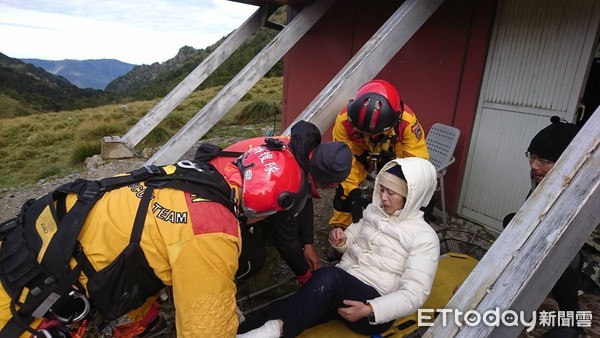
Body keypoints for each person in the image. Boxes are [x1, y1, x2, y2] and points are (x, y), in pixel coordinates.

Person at [0, 145, 309, 338]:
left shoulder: (194, 175)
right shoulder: (212, 230)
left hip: (22, 244)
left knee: (145, 311)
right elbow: (206, 333)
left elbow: (151, 242)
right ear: (266, 209)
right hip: (25, 299)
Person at [238, 157, 440, 338]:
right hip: (342, 290)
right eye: (382, 189)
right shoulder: (374, 210)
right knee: (296, 306)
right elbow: (352, 237)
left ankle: (267, 333)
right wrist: (342, 240)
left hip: (371, 309)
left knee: (328, 277)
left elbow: (415, 294)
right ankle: (238, 331)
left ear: (412, 197)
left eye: (393, 193)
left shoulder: (424, 237)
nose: (384, 198)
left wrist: (370, 309)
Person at [205, 121, 353, 284]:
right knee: (253, 259)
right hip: (213, 196)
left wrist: (307, 243)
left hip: (218, 175)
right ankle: (219, 279)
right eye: (327, 186)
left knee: (275, 222)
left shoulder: (299, 150)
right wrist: (304, 275)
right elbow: (286, 239)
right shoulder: (288, 179)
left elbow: (305, 199)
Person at [327, 79, 430, 262]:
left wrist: (403, 191)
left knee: (393, 194)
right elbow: (343, 161)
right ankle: (342, 233)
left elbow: (416, 165)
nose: (369, 136)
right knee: (343, 193)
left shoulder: (406, 123)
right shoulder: (344, 121)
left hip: (393, 155)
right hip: (358, 153)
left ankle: (389, 238)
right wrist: (353, 193)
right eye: (364, 132)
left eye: (374, 133)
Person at [503, 116, 585, 338]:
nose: (533, 166)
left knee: (561, 255)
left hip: (584, 248)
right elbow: (530, 214)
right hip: (552, 232)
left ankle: (573, 323)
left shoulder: (585, 190)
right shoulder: (540, 178)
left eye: (543, 161)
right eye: (532, 157)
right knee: (512, 222)